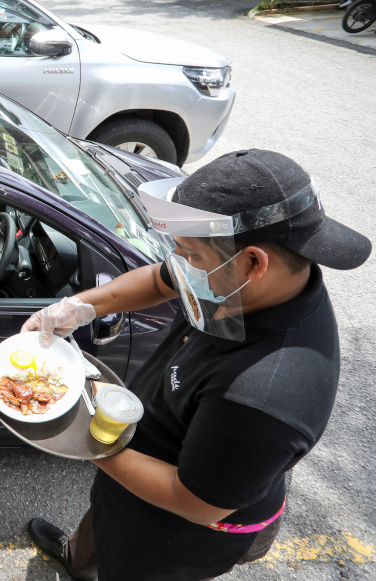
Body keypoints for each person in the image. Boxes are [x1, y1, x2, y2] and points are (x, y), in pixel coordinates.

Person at [19, 150, 371, 581]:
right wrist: (77, 308)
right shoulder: (238, 277)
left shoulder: (266, 396)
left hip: (172, 534)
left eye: (193, 258)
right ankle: (77, 557)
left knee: (126, 565)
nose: (181, 266)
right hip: (132, 476)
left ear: (255, 263)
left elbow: (194, 501)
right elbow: (159, 278)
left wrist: (85, 438)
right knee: (100, 528)